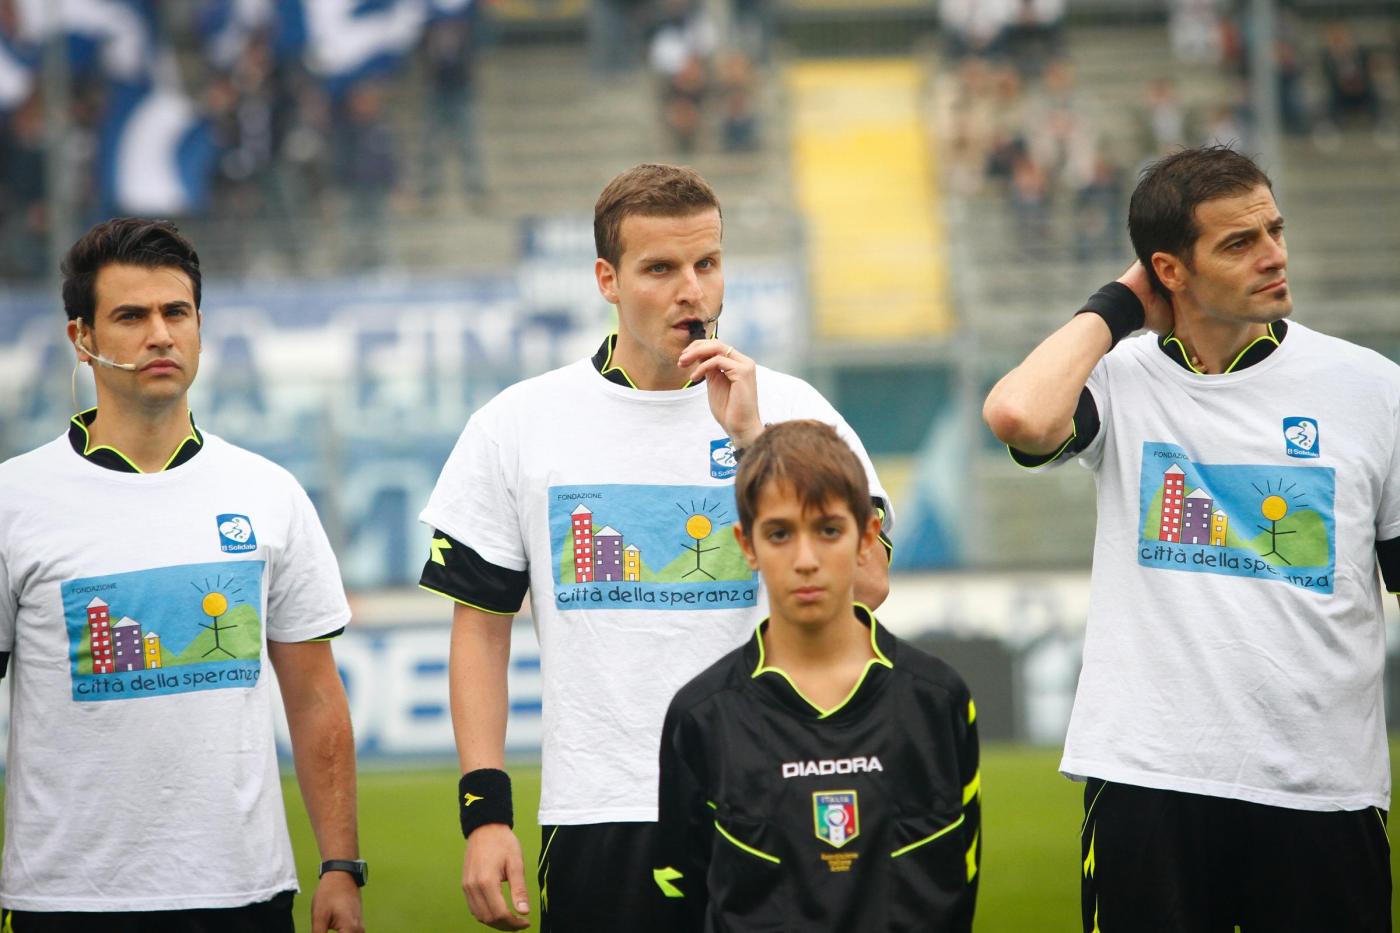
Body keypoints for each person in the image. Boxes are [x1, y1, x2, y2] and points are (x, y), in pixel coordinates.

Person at [418, 163, 893, 932]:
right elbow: (480, 628)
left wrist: (756, 445)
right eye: (661, 269)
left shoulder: (794, 411)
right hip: (602, 811)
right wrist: (485, 812)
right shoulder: (518, 423)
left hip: (777, 795)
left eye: (707, 263)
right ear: (607, 279)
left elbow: (869, 585)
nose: (692, 291)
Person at [983, 145, 1400, 932]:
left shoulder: (1373, 389)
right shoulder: (1119, 379)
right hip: (1148, 780)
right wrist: (1116, 307)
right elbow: (1018, 416)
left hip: (1323, 790)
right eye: (1239, 243)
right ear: (1170, 271)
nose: (1273, 255)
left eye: (1274, 230)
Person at [0, 219, 366, 933]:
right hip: (69, 902)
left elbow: (316, 696)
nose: (160, 335)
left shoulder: (269, 492)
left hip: (245, 894)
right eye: (130, 316)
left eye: (177, 312)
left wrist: (341, 866)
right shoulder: (15, 501)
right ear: (81, 337)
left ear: (200, 325)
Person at [652, 419, 980, 932]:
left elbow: (958, 886)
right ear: (747, 545)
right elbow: (683, 893)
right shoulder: (702, 715)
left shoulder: (937, 700)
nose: (805, 560)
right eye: (779, 534)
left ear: (867, 537)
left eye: (828, 530)